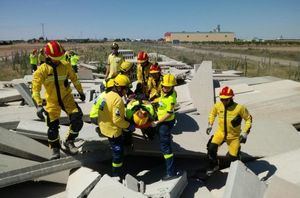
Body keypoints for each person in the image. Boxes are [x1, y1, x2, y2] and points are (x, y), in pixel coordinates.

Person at [32, 41, 86, 160]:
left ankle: (69, 141)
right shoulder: (42, 70)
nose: (57, 60)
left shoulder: (66, 65)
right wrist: (39, 105)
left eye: (59, 58)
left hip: (67, 98)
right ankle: (55, 148)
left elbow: (74, 78)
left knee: (77, 120)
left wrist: (80, 91)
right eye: (54, 58)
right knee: (52, 128)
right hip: (52, 101)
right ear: (47, 56)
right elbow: (35, 88)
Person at [206, 86, 252, 176]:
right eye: (222, 99)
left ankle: (237, 168)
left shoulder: (239, 108)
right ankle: (214, 165)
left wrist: (245, 132)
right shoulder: (218, 106)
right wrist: (210, 124)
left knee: (233, 158)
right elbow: (212, 114)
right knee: (211, 148)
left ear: (231, 98)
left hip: (234, 136)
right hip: (221, 133)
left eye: (226, 99)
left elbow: (248, 119)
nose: (223, 101)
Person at [98, 74, 135, 177]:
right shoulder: (117, 99)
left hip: (104, 125)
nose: (126, 91)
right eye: (126, 89)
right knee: (117, 152)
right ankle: (116, 174)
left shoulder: (106, 94)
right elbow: (117, 120)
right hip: (113, 131)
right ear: (120, 88)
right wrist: (128, 126)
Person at [151, 73, 178, 181]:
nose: (164, 88)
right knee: (163, 143)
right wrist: (153, 101)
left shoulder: (171, 98)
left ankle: (171, 173)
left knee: (166, 148)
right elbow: (161, 100)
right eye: (163, 86)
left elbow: (169, 114)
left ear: (172, 87)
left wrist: (157, 122)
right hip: (162, 122)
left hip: (165, 123)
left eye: (167, 87)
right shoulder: (165, 92)